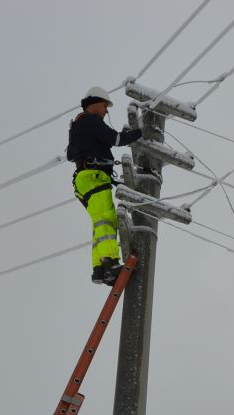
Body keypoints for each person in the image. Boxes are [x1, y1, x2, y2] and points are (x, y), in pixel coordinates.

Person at [66, 86, 144, 284]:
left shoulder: (77, 126)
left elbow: (69, 155)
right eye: (104, 105)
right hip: (94, 177)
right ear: (94, 104)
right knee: (106, 220)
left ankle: (99, 269)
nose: (106, 110)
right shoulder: (90, 121)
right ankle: (109, 263)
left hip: (84, 180)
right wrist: (142, 132)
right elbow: (116, 139)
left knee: (99, 223)